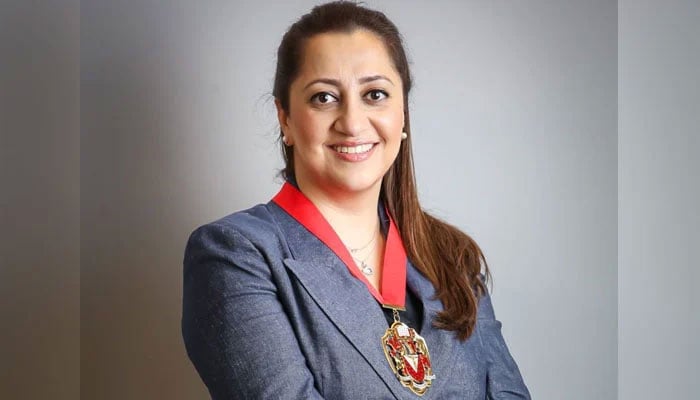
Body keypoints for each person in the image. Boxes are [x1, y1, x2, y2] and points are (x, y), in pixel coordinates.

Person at [182, 2, 530, 399]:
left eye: (375, 94)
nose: (352, 122)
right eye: (324, 98)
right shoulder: (234, 255)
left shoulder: (451, 256)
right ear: (285, 119)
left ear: (402, 114)